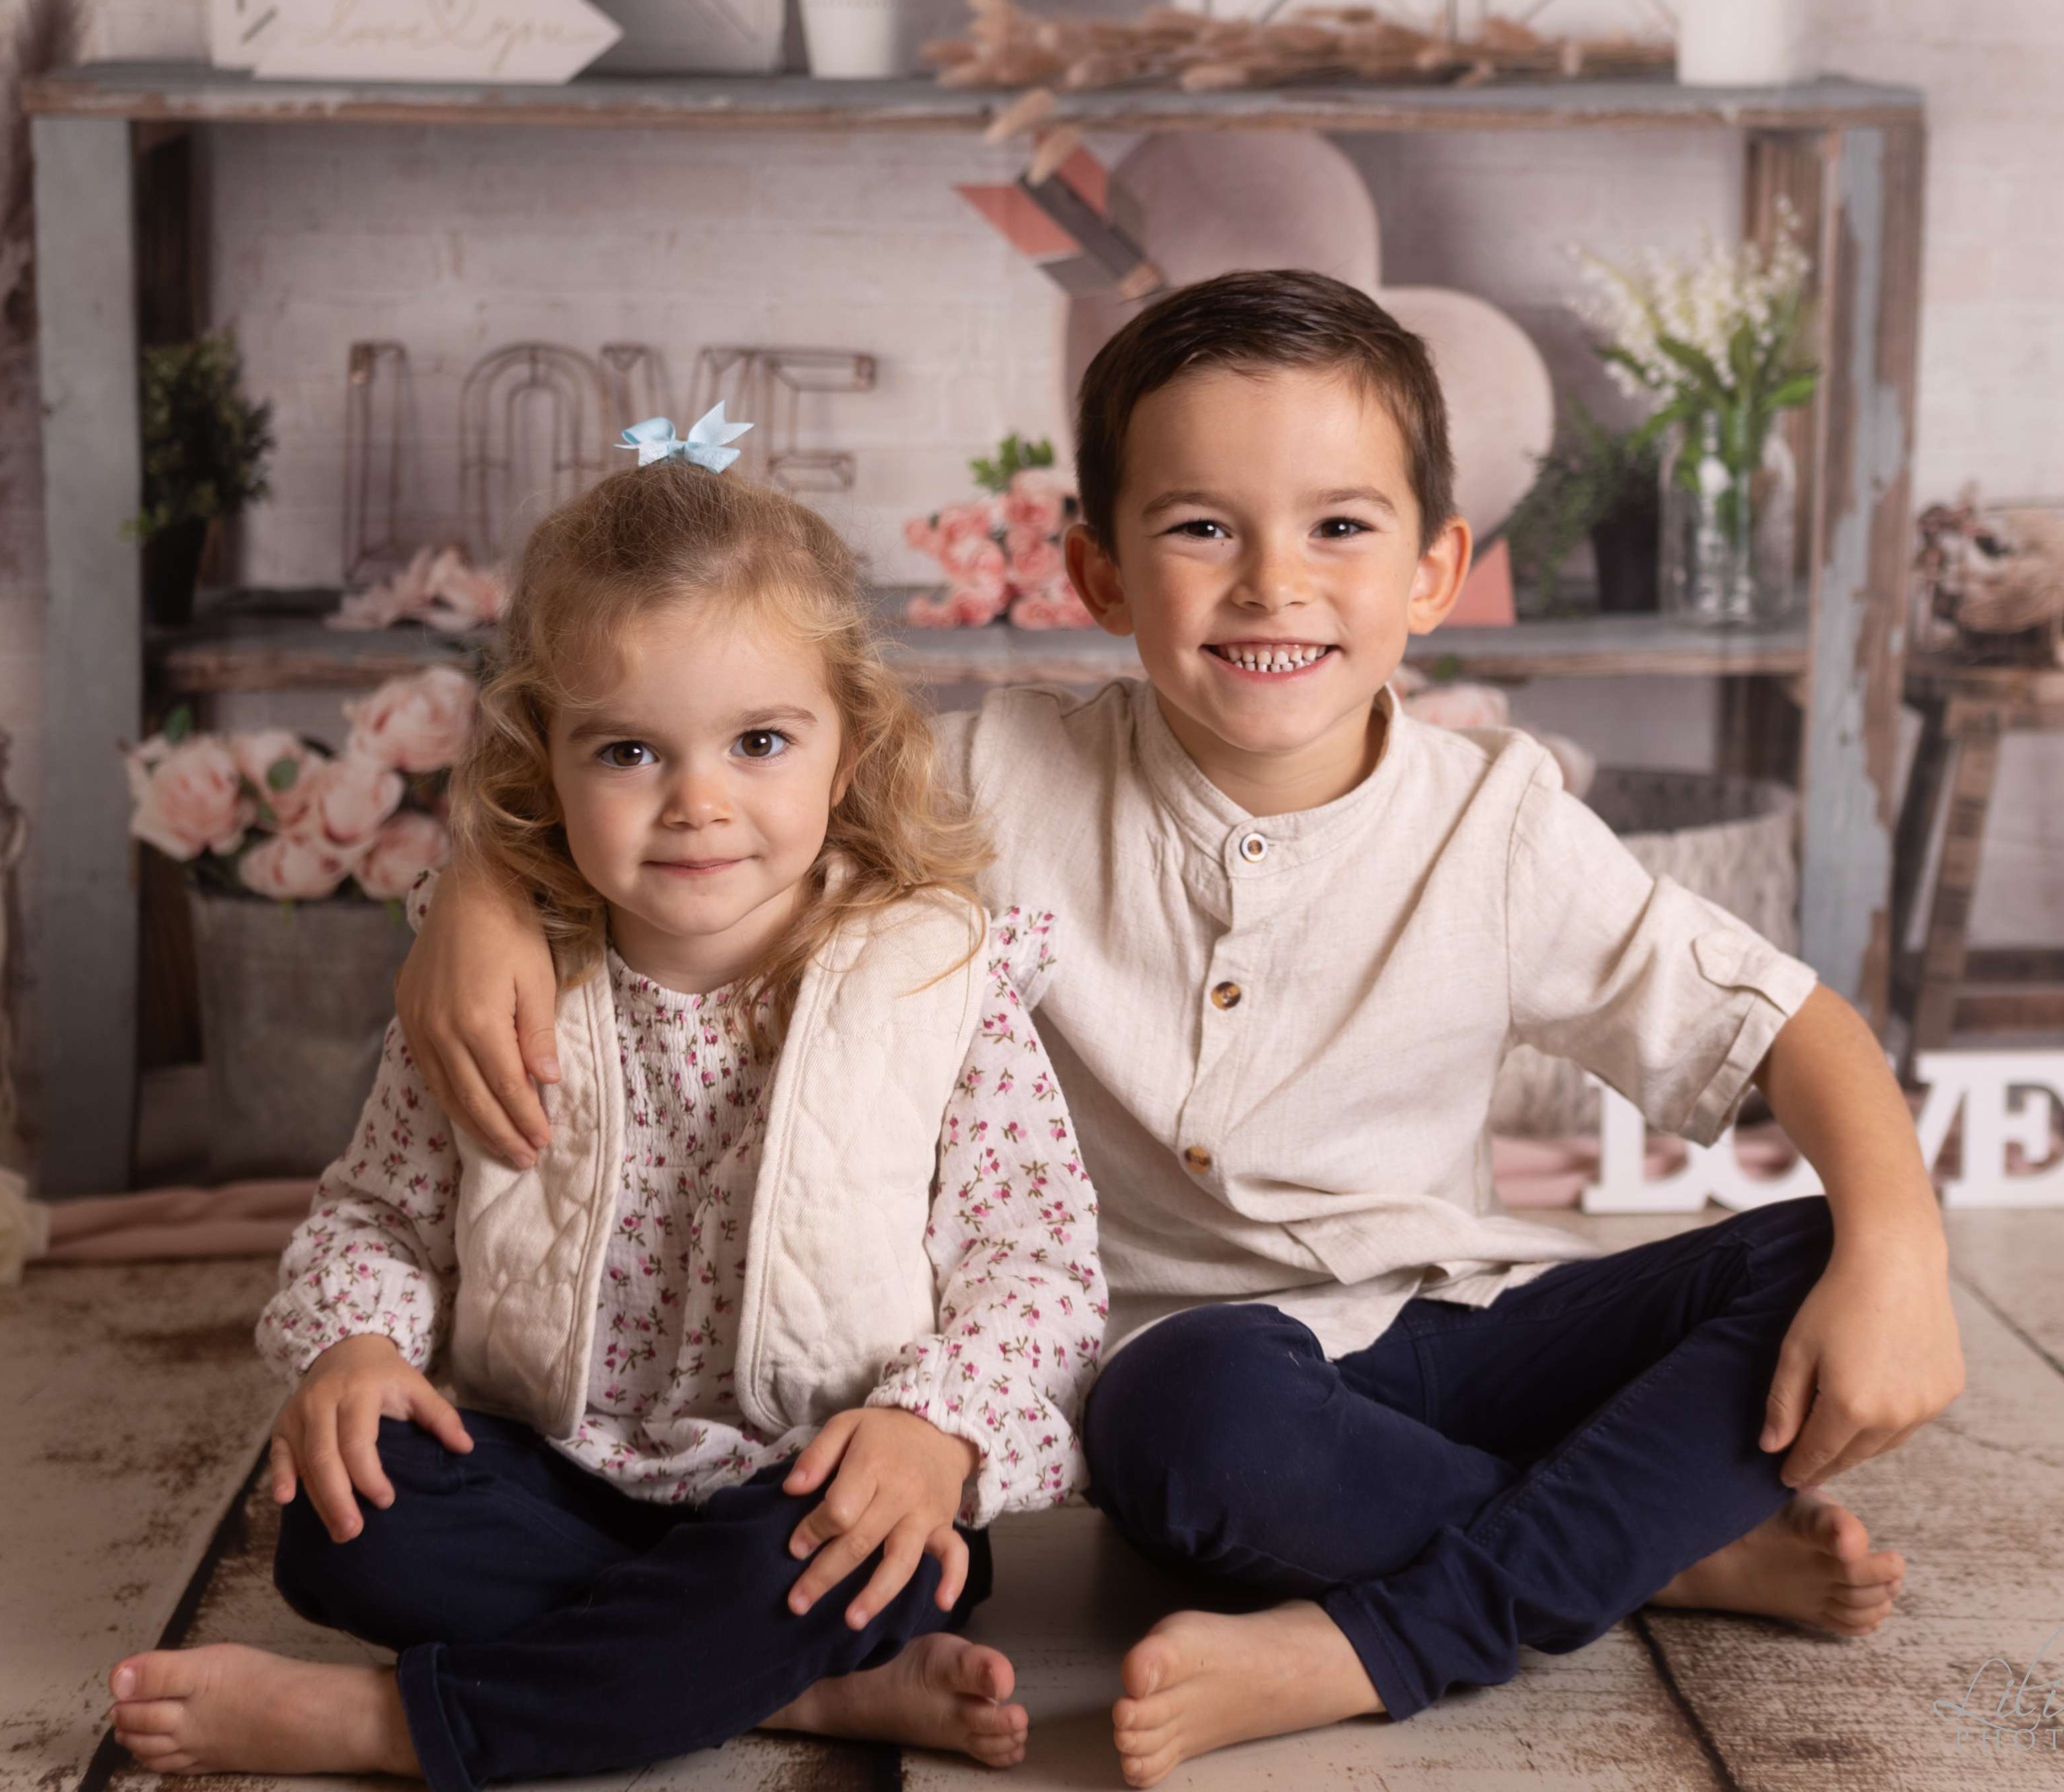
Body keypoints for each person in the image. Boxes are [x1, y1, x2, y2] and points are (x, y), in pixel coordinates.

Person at [395, 271, 1967, 1786]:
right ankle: (1629, 1549)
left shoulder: (1493, 825)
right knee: (1189, 1412)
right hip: (1199, 1410)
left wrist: (1894, 1251)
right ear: (1094, 574)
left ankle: (1414, 1619)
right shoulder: (989, 776)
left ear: (1431, 571)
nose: (1271, 584)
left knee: (1823, 1239)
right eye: (1200, 528)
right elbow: (705, 793)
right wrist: (479, 885)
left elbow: (1787, 1026)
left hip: (1459, 1337)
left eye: (1339, 528)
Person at [103, 420, 1107, 1788]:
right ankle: (805, 1693)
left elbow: (1036, 1270)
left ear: (852, 745)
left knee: (871, 1564)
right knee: (347, 1532)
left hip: (819, 1480)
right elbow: (381, 1216)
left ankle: (382, 1729)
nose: (697, 802)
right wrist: (356, 1348)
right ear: (546, 759)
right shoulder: (505, 987)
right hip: (555, 1466)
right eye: (628, 752)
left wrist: (936, 1430)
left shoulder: (935, 978)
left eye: (759, 741)